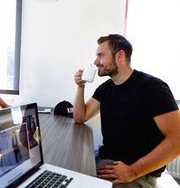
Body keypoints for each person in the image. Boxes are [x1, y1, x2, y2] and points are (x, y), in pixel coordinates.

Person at [73, 34, 180, 187]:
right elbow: (80, 117)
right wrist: (80, 87)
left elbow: (178, 141)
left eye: (101, 55)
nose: (96, 62)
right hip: (108, 163)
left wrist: (133, 171)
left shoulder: (153, 88)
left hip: (137, 174)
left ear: (120, 55)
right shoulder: (106, 88)